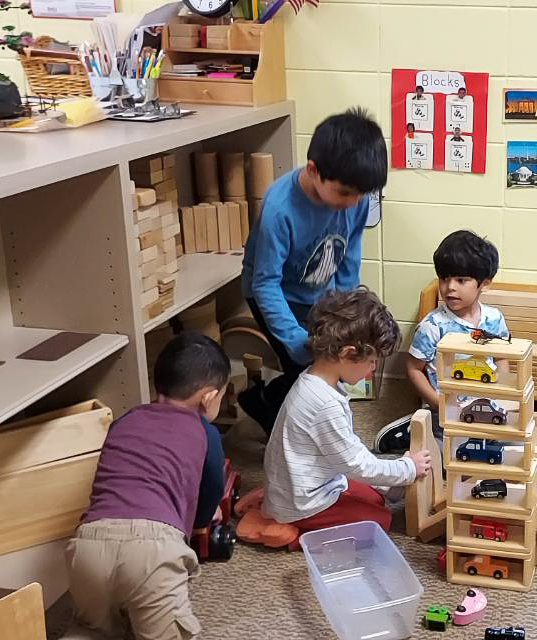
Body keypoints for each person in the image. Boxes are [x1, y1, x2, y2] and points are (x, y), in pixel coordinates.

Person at [66, 333, 231, 640]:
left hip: (88, 543)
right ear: (208, 397)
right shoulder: (205, 434)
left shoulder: (126, 420)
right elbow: (210, 491)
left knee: (89, 630)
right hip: (153, 548)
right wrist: (203, 521)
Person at [238, 108, 386, 436]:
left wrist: (347, 309)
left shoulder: (357, 198)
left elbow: (349, 251)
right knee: (307, 371)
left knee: (326, 366)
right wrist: (294, 339)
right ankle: (265, 406)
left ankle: (264, 402)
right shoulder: (280, 210)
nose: (353, 202)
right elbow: (266, 284)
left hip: (320, 293)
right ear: (313, 170)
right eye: (345, 193)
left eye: (361, 195)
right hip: (275, 293)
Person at [258, 288, 433, 543]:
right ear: (347, 353)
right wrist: (406, 468)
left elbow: (347, 453)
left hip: (312, 483)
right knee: (379, 521)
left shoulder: (316, 380)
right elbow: (355, 464)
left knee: (375, 497)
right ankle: (293, 533)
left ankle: (280, 512)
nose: (372, 369)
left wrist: (397, 472)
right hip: (302, 504)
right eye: (371, 361)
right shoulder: (323, 403)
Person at [375, 230, 506, 453]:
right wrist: (438, 404)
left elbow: (502, 356)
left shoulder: (494, 319)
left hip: (483, 407)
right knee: (442, 462)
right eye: (444, 278)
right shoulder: (433, 325)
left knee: (497, 453)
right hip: (443, 410)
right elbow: (413, 369)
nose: (450, 287)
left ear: (484, 283)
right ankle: (410, 430)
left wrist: (500, 391)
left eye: (461, 280)